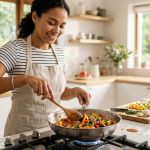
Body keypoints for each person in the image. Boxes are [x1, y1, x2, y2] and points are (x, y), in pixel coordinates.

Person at [0, 0, 90, 136]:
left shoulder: (58, 53)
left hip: (54, 133)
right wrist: (25, 78)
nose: (57, 31)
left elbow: (54, 93)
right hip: (22, 136)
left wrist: (75, 91)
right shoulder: (15, 49)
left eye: (62, 26)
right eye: (51, 23)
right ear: (35, 17)